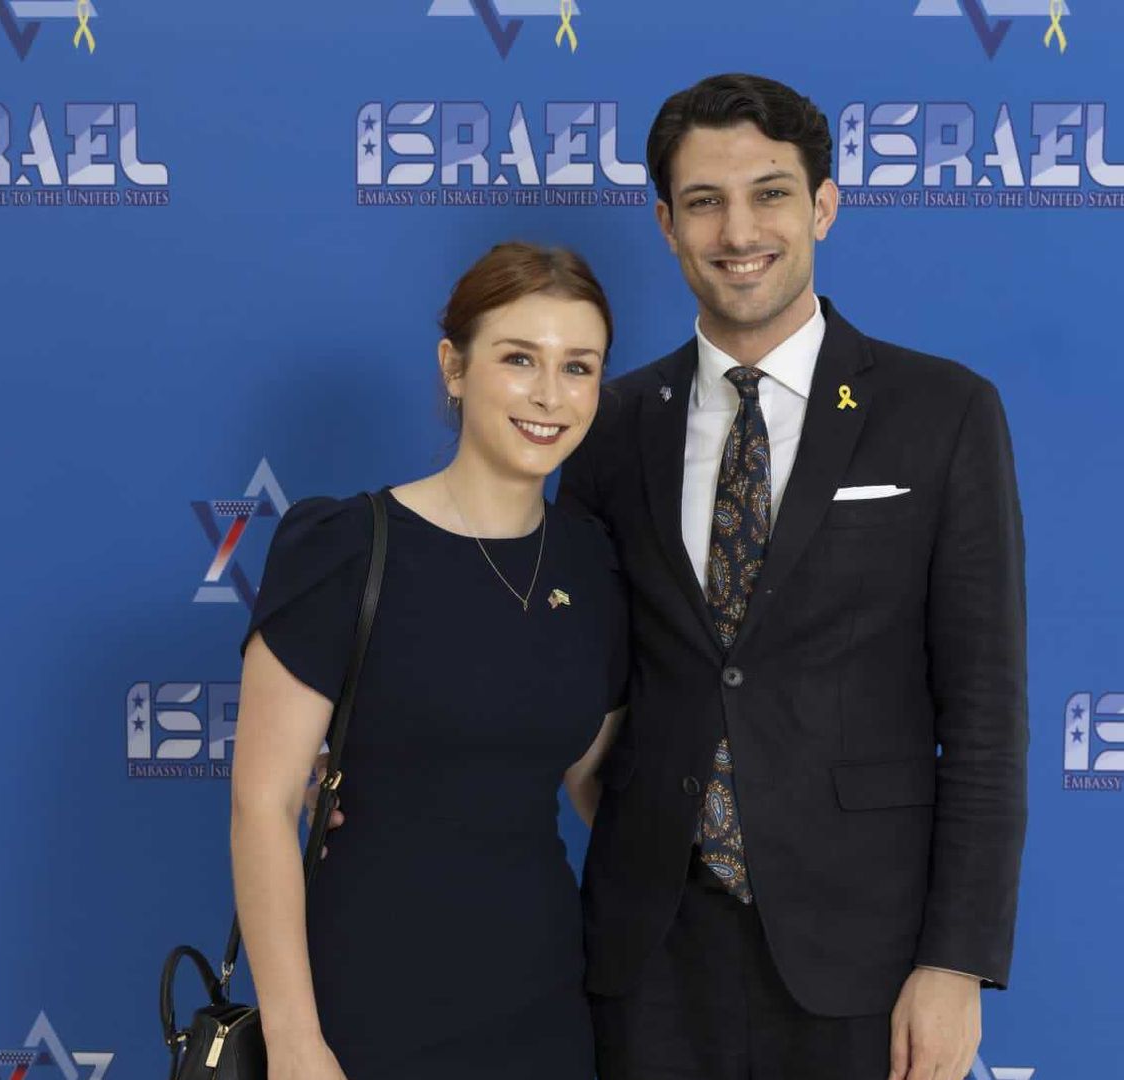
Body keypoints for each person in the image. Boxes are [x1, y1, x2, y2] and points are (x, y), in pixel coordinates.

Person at [557, 73, 1029, 1080]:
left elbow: (986, 711)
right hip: (648, 952)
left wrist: (956, 962)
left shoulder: (941, 413)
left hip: (867, 955)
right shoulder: (609, 429)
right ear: (666, 224)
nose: (739, 230)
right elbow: (569, 678)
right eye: (704, 201)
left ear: (823, 204)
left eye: (770, 193)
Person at [227, 242, 628, 1080]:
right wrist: (299, 1045)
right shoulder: (345, 548)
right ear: (454, 367)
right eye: (520, 359)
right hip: (366, 1006)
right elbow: (263, 806)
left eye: (578, 366)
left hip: (546, 1003)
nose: (551, 395)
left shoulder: (594, 562)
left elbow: (596, 783)